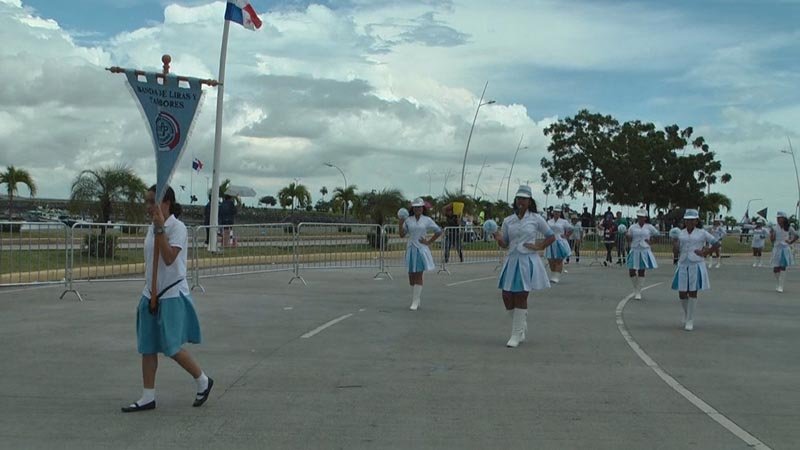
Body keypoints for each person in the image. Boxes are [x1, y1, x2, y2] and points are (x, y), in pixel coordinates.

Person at [123, 185, 212, 413]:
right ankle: (148, 396)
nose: (148, 206)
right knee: (147, 346)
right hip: (150, 293)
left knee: (171, 347)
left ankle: (202, 380)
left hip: (171, 294)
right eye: (147, 201)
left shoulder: (177, 228)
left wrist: (161, 229)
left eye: (152, 201)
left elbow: (170, 257)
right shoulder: (151, 227)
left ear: (167, 203)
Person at [492, 186, 555, 348]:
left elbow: (551, 236)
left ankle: (516, 334)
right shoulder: (508, 220)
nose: (521, 201)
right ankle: (520, 325)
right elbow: (505, 243)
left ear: (529, 201)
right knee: (507, 296)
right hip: (512, 260)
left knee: (521, 295)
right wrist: (497, 236)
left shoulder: (536, 218)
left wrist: (539, 246)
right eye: (519, 198)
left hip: (527, 261)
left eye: (524, 199)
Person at [671, 209, 720, 331]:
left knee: (692, 291)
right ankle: (687, 313)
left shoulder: (702, 233)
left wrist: (706, 252)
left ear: (696, 221)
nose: (690, 222)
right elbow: (676, 250)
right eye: (687, 220)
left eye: (692, 220)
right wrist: (675, 243)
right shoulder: (680, 233)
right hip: (683, 263)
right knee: (682, 293)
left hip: (696, 263)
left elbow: (716, 243)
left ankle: (690, 319)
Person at [399, 198, 442, 310]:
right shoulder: (408, 220)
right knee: (411, 276)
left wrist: (429, 242)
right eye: (415, 207)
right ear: (413, 209)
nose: (417, 209)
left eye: (419, 207)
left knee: (418, 274)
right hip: (410, 249)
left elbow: (438, 231)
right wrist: (400, 222)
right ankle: (416, 298)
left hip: (421, 250)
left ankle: (414, 301)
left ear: (423, 208)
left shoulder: (427, 220)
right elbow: (402, 234)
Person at [626, 210, 660, 300]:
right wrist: (628, 237)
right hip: (635, 249)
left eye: (642, 217)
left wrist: (651, 241)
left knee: (641, 270)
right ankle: (635, 287)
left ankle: (638, 291)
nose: (640, 218)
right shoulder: (633, 227)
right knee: (631, 270)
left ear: (645, 218)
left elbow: (658, 234)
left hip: (644, 249)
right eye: (639, 217)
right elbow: (629, 237)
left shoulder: (649, 227)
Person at [769, 211, 799, 293]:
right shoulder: (775, 227)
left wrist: (790, 241)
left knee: (783, 267)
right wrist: (772, 234)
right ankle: (778, 282)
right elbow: (772, 240)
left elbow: (796, 235)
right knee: (776, 268)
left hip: (785, 248)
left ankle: (781, 285)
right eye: (777, 218)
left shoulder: (789, 227)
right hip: (777, 248)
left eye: (780, 218)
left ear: (784, 219)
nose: (778, 219)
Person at [545, 207, 572, 283]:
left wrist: (566, 235)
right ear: (553, 212)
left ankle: (556, 276)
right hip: (550, 241)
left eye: (558, 212)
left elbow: (571, 228)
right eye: (555, 212)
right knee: (550, 259)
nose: (556, 213)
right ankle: (553, 274)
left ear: (560, 213)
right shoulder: (549, 221)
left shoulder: (564, 221)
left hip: (560, 241)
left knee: (559, 259)